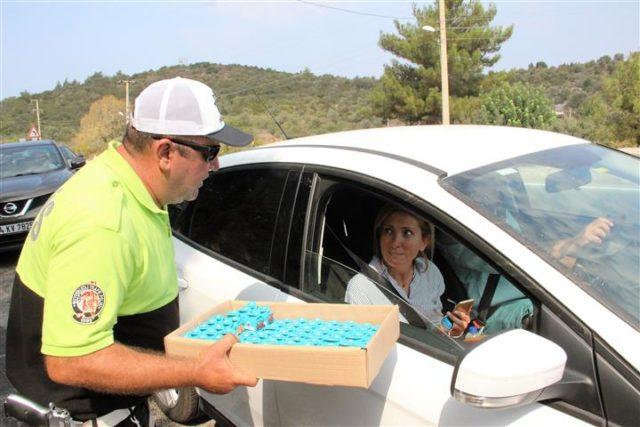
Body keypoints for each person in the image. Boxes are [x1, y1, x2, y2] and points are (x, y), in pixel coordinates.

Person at [6, 77, 258, 426]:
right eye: (210, 152)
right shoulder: (102, 220)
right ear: (167, 153)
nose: (214, 167)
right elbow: (72, 359)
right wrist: (194, 371)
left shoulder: (132, 186)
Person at [345, 205, 470, 337]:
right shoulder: (361, 288)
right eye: (388, 231)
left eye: (407, 233)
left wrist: (450, 328)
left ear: (423, 241)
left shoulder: (430, 273)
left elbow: (433, 325)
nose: (395, 242)